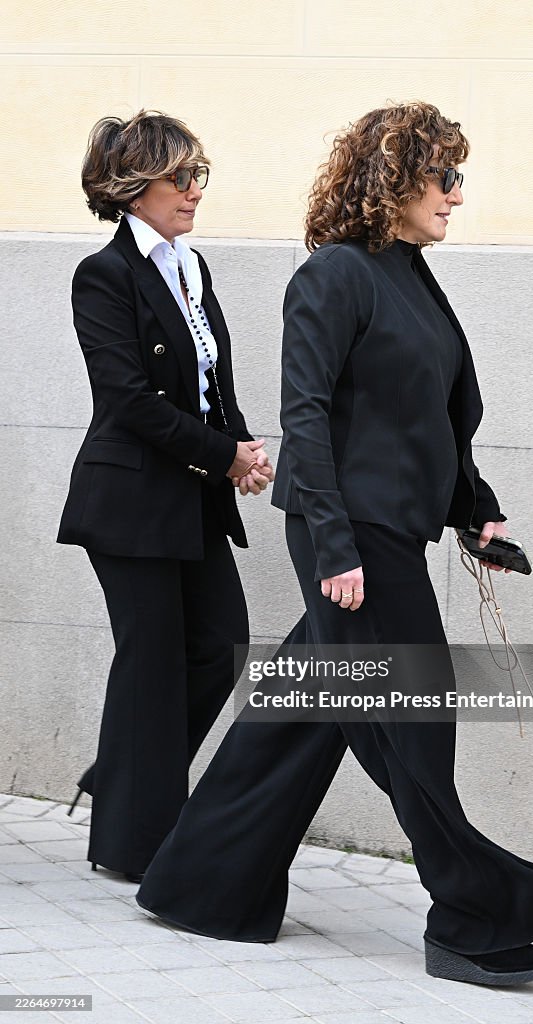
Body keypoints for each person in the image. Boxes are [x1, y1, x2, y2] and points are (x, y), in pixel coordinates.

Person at [136, 102, 533, 985]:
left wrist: (475, 509)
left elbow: (425, 415)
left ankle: (199, 886)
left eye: (459, 177)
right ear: (395, 181)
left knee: (299, 719)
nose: (457, 195)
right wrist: (334, 547)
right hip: (349, 537)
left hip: (391, 529)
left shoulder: (410, 274)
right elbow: (305, 413)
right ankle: (472, 907)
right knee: (414, 720)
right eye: (444, 177)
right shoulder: (333, 277)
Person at [57, 110, 273, 883]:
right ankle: (131, 843)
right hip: (129, 501)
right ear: (131, 186)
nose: (193, 191)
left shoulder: (191, 266)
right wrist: (222, 457)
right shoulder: (104, 275)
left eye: (199, 175)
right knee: (152, 664)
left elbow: (211, 379)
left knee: (218, 647)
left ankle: (121, 783)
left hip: (190, 499)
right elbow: (130, 401)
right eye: (179, 177)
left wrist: (241, 449)